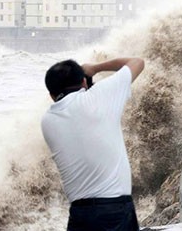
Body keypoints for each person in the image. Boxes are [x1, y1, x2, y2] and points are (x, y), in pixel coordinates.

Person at [41, 57, 145, 231]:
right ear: (83, 81)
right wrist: (95, 68)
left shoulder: (47, 121)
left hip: (79, 214)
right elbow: (137, 62)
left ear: (51, 95)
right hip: (114, 211)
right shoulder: (100, 96)